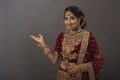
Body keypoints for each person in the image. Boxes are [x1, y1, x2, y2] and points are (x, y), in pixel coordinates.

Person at [31, 5, 104, 80]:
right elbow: (54, 60)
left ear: (79, 19)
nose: (68, 22)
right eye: (66, 19)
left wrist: (80, 67)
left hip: (79, 77)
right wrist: (43, 45)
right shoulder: (61, 36)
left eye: (72, 18)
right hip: (61, 76)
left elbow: (99, 61)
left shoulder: (88, 37)